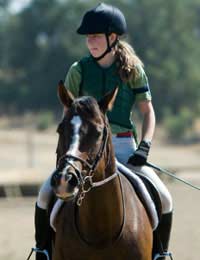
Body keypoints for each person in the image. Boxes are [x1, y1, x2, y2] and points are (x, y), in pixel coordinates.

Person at [34, 3, 173, 260]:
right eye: (88, 37)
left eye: (95, 36)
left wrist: (144, 146)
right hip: (84, 149)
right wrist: (68, 150)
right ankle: (42, 250)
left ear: (112, 38)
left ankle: (160, 254)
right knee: (45, 194)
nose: (90, 41)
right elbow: (68, 117)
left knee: (164, 197)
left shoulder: (133, 71)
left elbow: (148, 112)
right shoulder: (78, 70)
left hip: (123, 146)